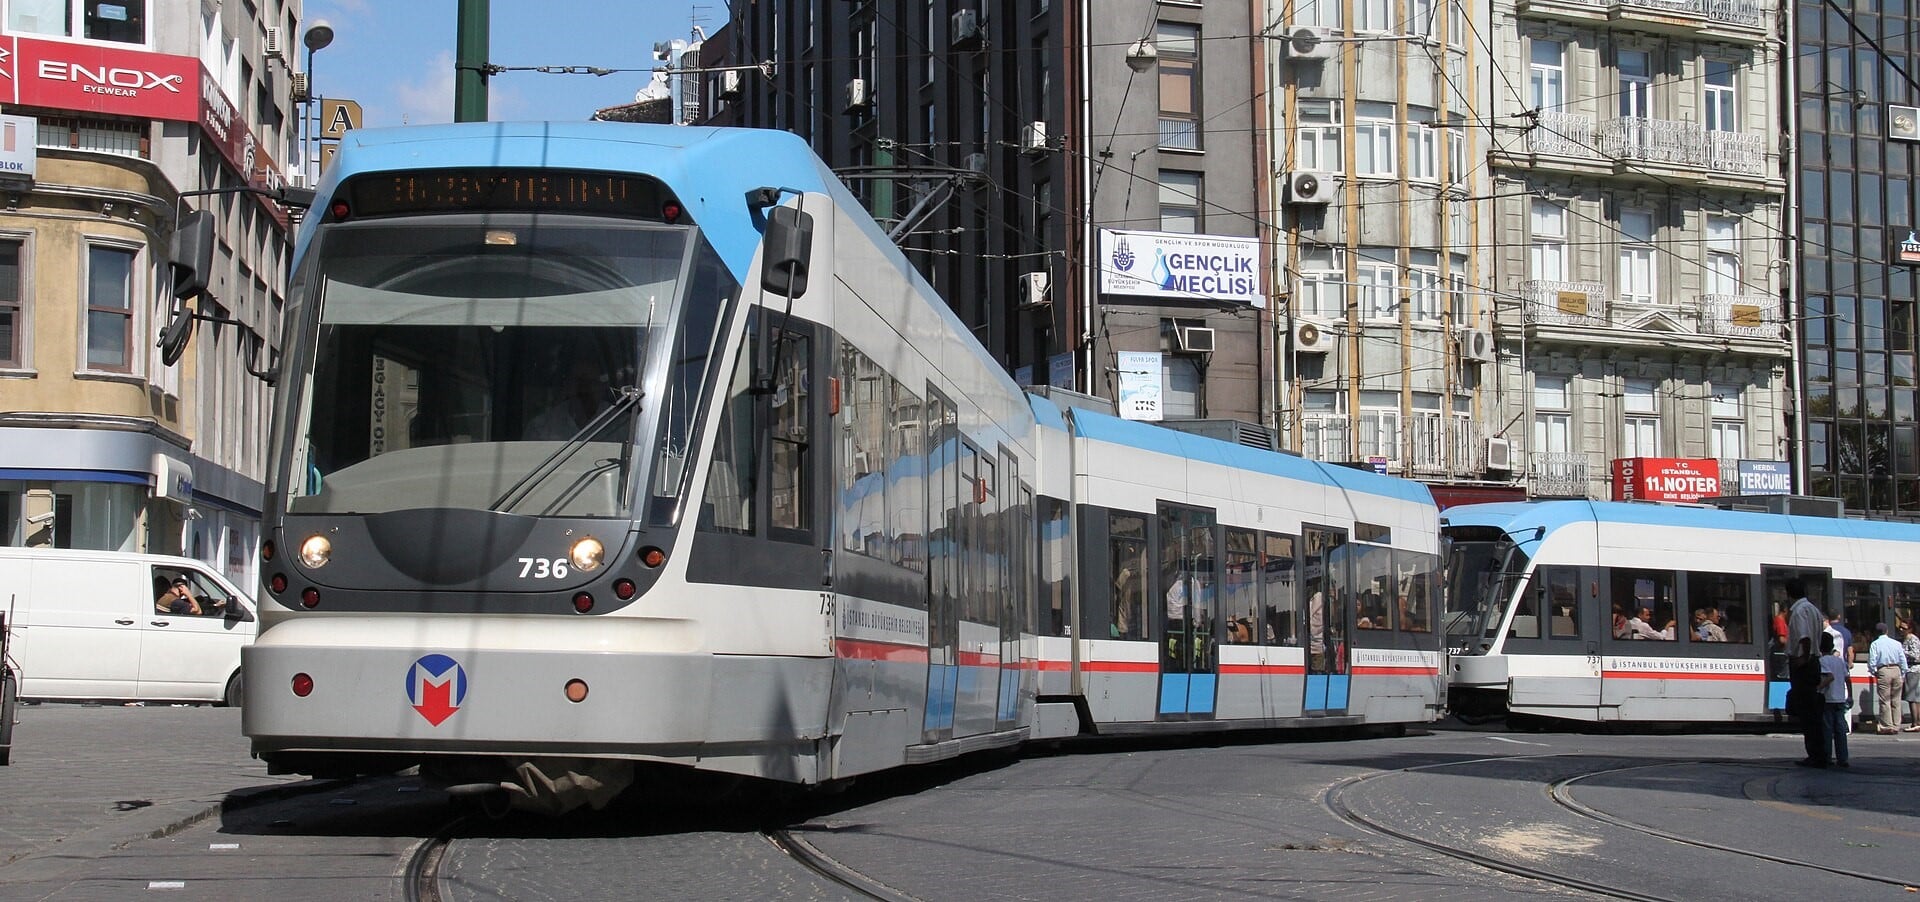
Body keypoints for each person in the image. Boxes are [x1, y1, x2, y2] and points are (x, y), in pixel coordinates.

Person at [526, 359, 612, 440]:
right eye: (579, 381)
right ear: (567, 385)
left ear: (602, 386)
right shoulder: (541, 428)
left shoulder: (619, 424)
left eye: (592, 382)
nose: (585, 388)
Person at [1817, 632, 1851, 768]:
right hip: (1840, 698)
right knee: (1840, 730)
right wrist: (1850, 695)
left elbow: (1829, 677)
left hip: (1828, 698)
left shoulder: (1822, 661)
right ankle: (1843, 758)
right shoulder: (1839, 661)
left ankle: (1827, 757)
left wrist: (1818, 688)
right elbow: (1847, 679)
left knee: (1826, 729)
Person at [1867, 622, 1906, 734]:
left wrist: (1874, 671)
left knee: (1885, 700)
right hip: (1896, 670)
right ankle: (1896, 725)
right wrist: (1902, 673)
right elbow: (1902, 659)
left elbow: (1872, 661)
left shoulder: (1875, 644)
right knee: (1896, 700)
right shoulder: (1896, 643)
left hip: (1883, 670)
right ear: (1887, 631)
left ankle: (1887, 725)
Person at [1785, 579, 1823, 666]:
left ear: (1788, 594)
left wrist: (1804, 659)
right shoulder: (1814, 609)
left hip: (1802, 660)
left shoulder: (1798, 611)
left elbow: (1804, 637)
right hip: (1815, 659)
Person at [1900, 621, 1920, 732]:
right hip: (1912, 670)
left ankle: (1915, 723)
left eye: (1904, 628)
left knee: (1912, 698)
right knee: (1915, 698)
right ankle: (1916, 722)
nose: (1901, 629)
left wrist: (1902, 651)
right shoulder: (1908, 639)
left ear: (1910, 628)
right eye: (1900, 627)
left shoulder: (1912, 639)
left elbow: (1916, 655)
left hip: (1913, 670)